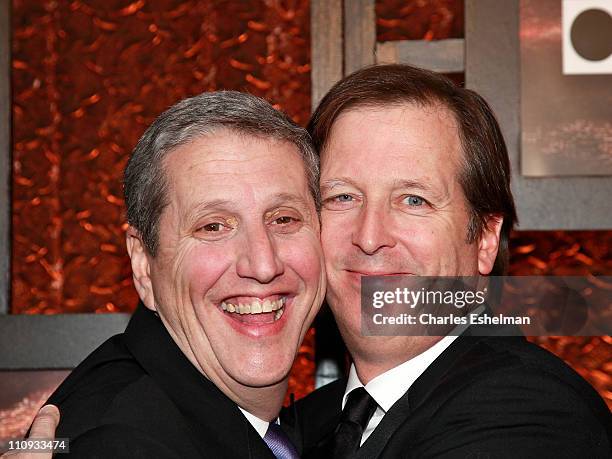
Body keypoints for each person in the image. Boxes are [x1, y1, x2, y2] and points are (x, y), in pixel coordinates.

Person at [295, 64, 611, 458]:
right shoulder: (298, 427)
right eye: (342, 197)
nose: (370, 237)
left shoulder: (528, 413)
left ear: (483, 239)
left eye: (414, 200)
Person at [14, 91, 326, 458]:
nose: (263, 264)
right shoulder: (121, 443)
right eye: (213, 227)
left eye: (284, 219)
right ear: (143, 264)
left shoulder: (298, 423)